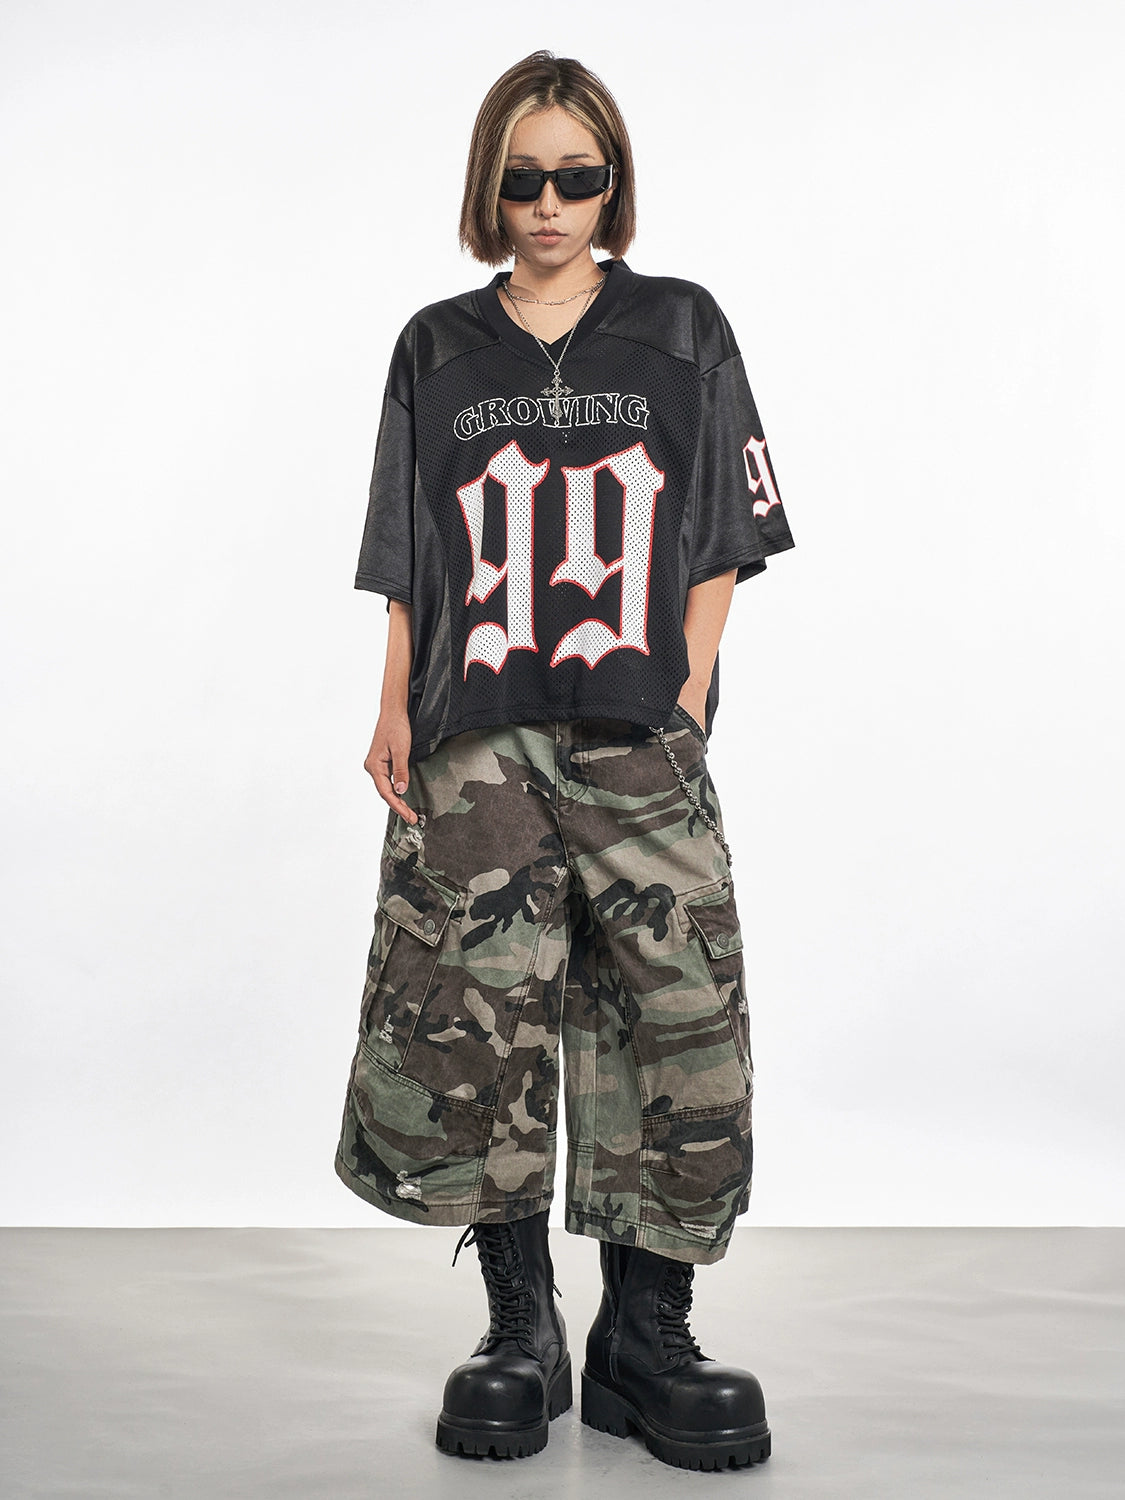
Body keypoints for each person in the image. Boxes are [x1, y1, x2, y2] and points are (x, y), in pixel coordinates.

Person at [334, 49, 795, 1472]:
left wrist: (691, 679)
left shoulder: (679, 326)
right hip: (475, 735)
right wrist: (393, 701)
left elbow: (725, 529)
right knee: (481, 1020)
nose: (549, 204)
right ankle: (519, 1329)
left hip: (633, 726)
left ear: (612, 184)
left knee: (678, 1012)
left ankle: (647, 1335)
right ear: (491, 185)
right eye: (523, 178)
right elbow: (412, 553)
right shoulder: (435, 346)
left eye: (576, 177)